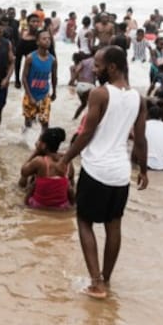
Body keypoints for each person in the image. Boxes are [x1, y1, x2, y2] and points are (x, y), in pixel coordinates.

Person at [57, 46, 148, 299]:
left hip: (96, 169)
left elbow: (87, 133)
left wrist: (65, 158)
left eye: (97, 65)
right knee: (113, 225)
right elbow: (140, 139)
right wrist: (144, 168)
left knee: (84, 221)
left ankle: (96, 283)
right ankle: (106, 279)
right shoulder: (138, 98)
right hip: (121, 173)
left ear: (112, 67)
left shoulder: (100, 94)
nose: (93, 70)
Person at [20, 127, 75, 210]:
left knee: (27, 176)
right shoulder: (66, 160)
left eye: (38, 141)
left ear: (43, 145)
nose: (36, 143)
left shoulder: (39, 161)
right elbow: (71, 179)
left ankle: (21, 194)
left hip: (39, 205)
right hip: (62, 206)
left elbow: (23, 172)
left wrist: (36, 152)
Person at [21, 29, 57, 132]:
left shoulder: (52, 60)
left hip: (44, 95)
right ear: (37, 42)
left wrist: (54, 91)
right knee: (28, 122)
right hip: (30, 95)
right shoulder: (30, 58)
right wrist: (30, 96)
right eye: (44, 39)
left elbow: (54, 77)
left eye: (49, 39)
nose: (47, 41)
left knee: (45, 122)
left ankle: (43, 144)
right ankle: (25, 143)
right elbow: (24, 77)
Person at [69, 52, 96, 120]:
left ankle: (74, 118)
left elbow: (73, 77)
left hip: (79, 86)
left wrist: (71, 83)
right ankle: (89, 120)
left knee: (83, 104)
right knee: (93, 105)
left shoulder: (73, 67)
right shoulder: (90, 63)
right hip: (89, 85)